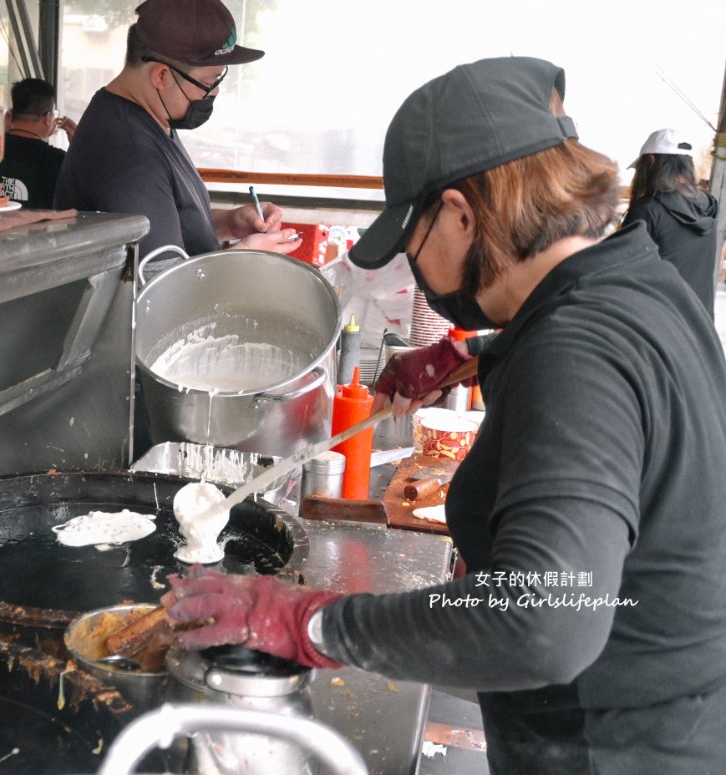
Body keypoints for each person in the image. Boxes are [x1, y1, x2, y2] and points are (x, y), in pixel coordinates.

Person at [162, 57, 726, 774]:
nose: (417, 270)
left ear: (461, 212)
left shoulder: (574, 350)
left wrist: (306, 619)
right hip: (679, 723)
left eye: (413, 243)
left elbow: (543, 618)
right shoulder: (643, 279)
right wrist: (470, 354)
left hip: (604, 745)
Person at [53, 0, 300, 280]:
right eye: (209, 81)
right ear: (161, 76)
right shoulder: (130, 156)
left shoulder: (144, 116)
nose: (215, 92)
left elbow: (169, 225)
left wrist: (230, 223)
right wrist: (243, 258)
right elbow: (161, 288)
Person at [621, 127, 719, 318]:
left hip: (659, 327)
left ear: (651, 161)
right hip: (700, 329)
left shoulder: (648, 209)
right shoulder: (710, 206)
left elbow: (620, 272)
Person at [0, 78, 76, 210]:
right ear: (48, 118)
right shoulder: (58, 161)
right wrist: (76, 150)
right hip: (39, 230)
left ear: (10, 115)